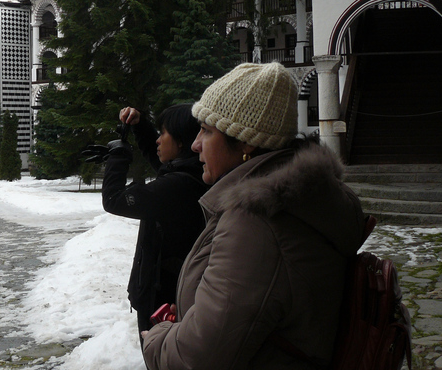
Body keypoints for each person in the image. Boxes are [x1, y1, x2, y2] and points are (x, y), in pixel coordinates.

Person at [141, 62, 366, 370]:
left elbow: (197, 358)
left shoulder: (256, 224)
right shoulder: (301, 200)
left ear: (245, 141)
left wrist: (158, 337)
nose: (195, 146)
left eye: (206, 131)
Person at [99, 104, 208, 339]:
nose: (158, 140)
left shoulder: (176, 186)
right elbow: (158, 158)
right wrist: (141, 126)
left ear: (181, 141)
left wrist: (117, 156)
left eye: (164, 133)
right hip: (176, 294)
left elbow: (113, 200)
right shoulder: (194, 173)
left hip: (162, 302)